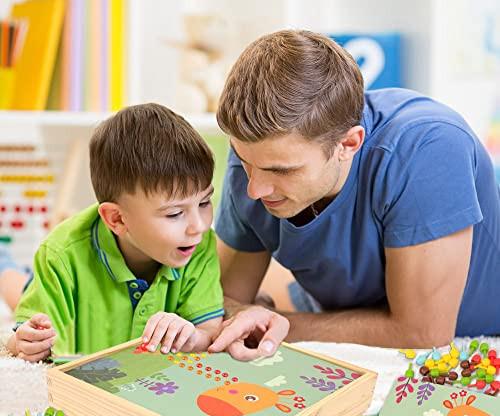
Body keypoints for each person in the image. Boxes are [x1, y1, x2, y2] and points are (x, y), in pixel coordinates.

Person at [208, 29, 500, 360]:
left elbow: (423, 333)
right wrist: (249, 312)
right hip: (333, 306)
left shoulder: (429, 148)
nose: (254, 189)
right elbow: (219, 303)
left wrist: (276, 324)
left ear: (349, 144)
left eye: (281, 171)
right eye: (244, 161)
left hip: (473, 332)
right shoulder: (258, 154)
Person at [5, 103, 224, 362]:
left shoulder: (199, 243)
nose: (198, 225)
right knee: (14, 287)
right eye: (175, 214)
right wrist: (24, 341)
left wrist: (191, 337)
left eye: (204, 203)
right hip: (60, 263)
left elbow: (210, 331)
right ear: (117, 219)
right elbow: (20, 340)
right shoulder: (59, 254)